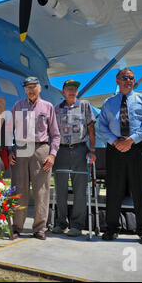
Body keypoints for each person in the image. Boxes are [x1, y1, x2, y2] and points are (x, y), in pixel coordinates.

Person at [98, 68, 142, 245]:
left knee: (141, 190)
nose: (128, 80)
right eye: (125, 77)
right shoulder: (108, 103)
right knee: (114, 190)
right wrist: (116, 142)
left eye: (131, 78)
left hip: (139, 148)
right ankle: (112, 228)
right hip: (115, 149)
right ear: (117, 80)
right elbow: (101, 126)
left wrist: (131, 140)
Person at [8, 76, 60, 240]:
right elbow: (9, 131)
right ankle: (17, 227)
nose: (31, 90)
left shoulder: (48, 107)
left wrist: (52, 154)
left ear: (39, 88)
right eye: (27, 87)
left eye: (33, 87)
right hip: (21, 149)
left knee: (41, 191)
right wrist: (10, 150)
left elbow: (56, 135)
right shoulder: (18, 106)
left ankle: (39, 228)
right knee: (19, 189)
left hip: (41, 149)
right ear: (24, 89)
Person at [53, 79, 96, 237]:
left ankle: (77, 225)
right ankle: (61, 222)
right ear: (63, 92)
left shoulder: (84, 105)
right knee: (60, 189)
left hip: (80, 150)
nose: (72, 91)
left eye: (75, 89)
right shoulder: (56, 109)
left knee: (80, 190)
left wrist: (92, 150)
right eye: (69, 89)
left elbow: (91, 129)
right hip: (61, 151)